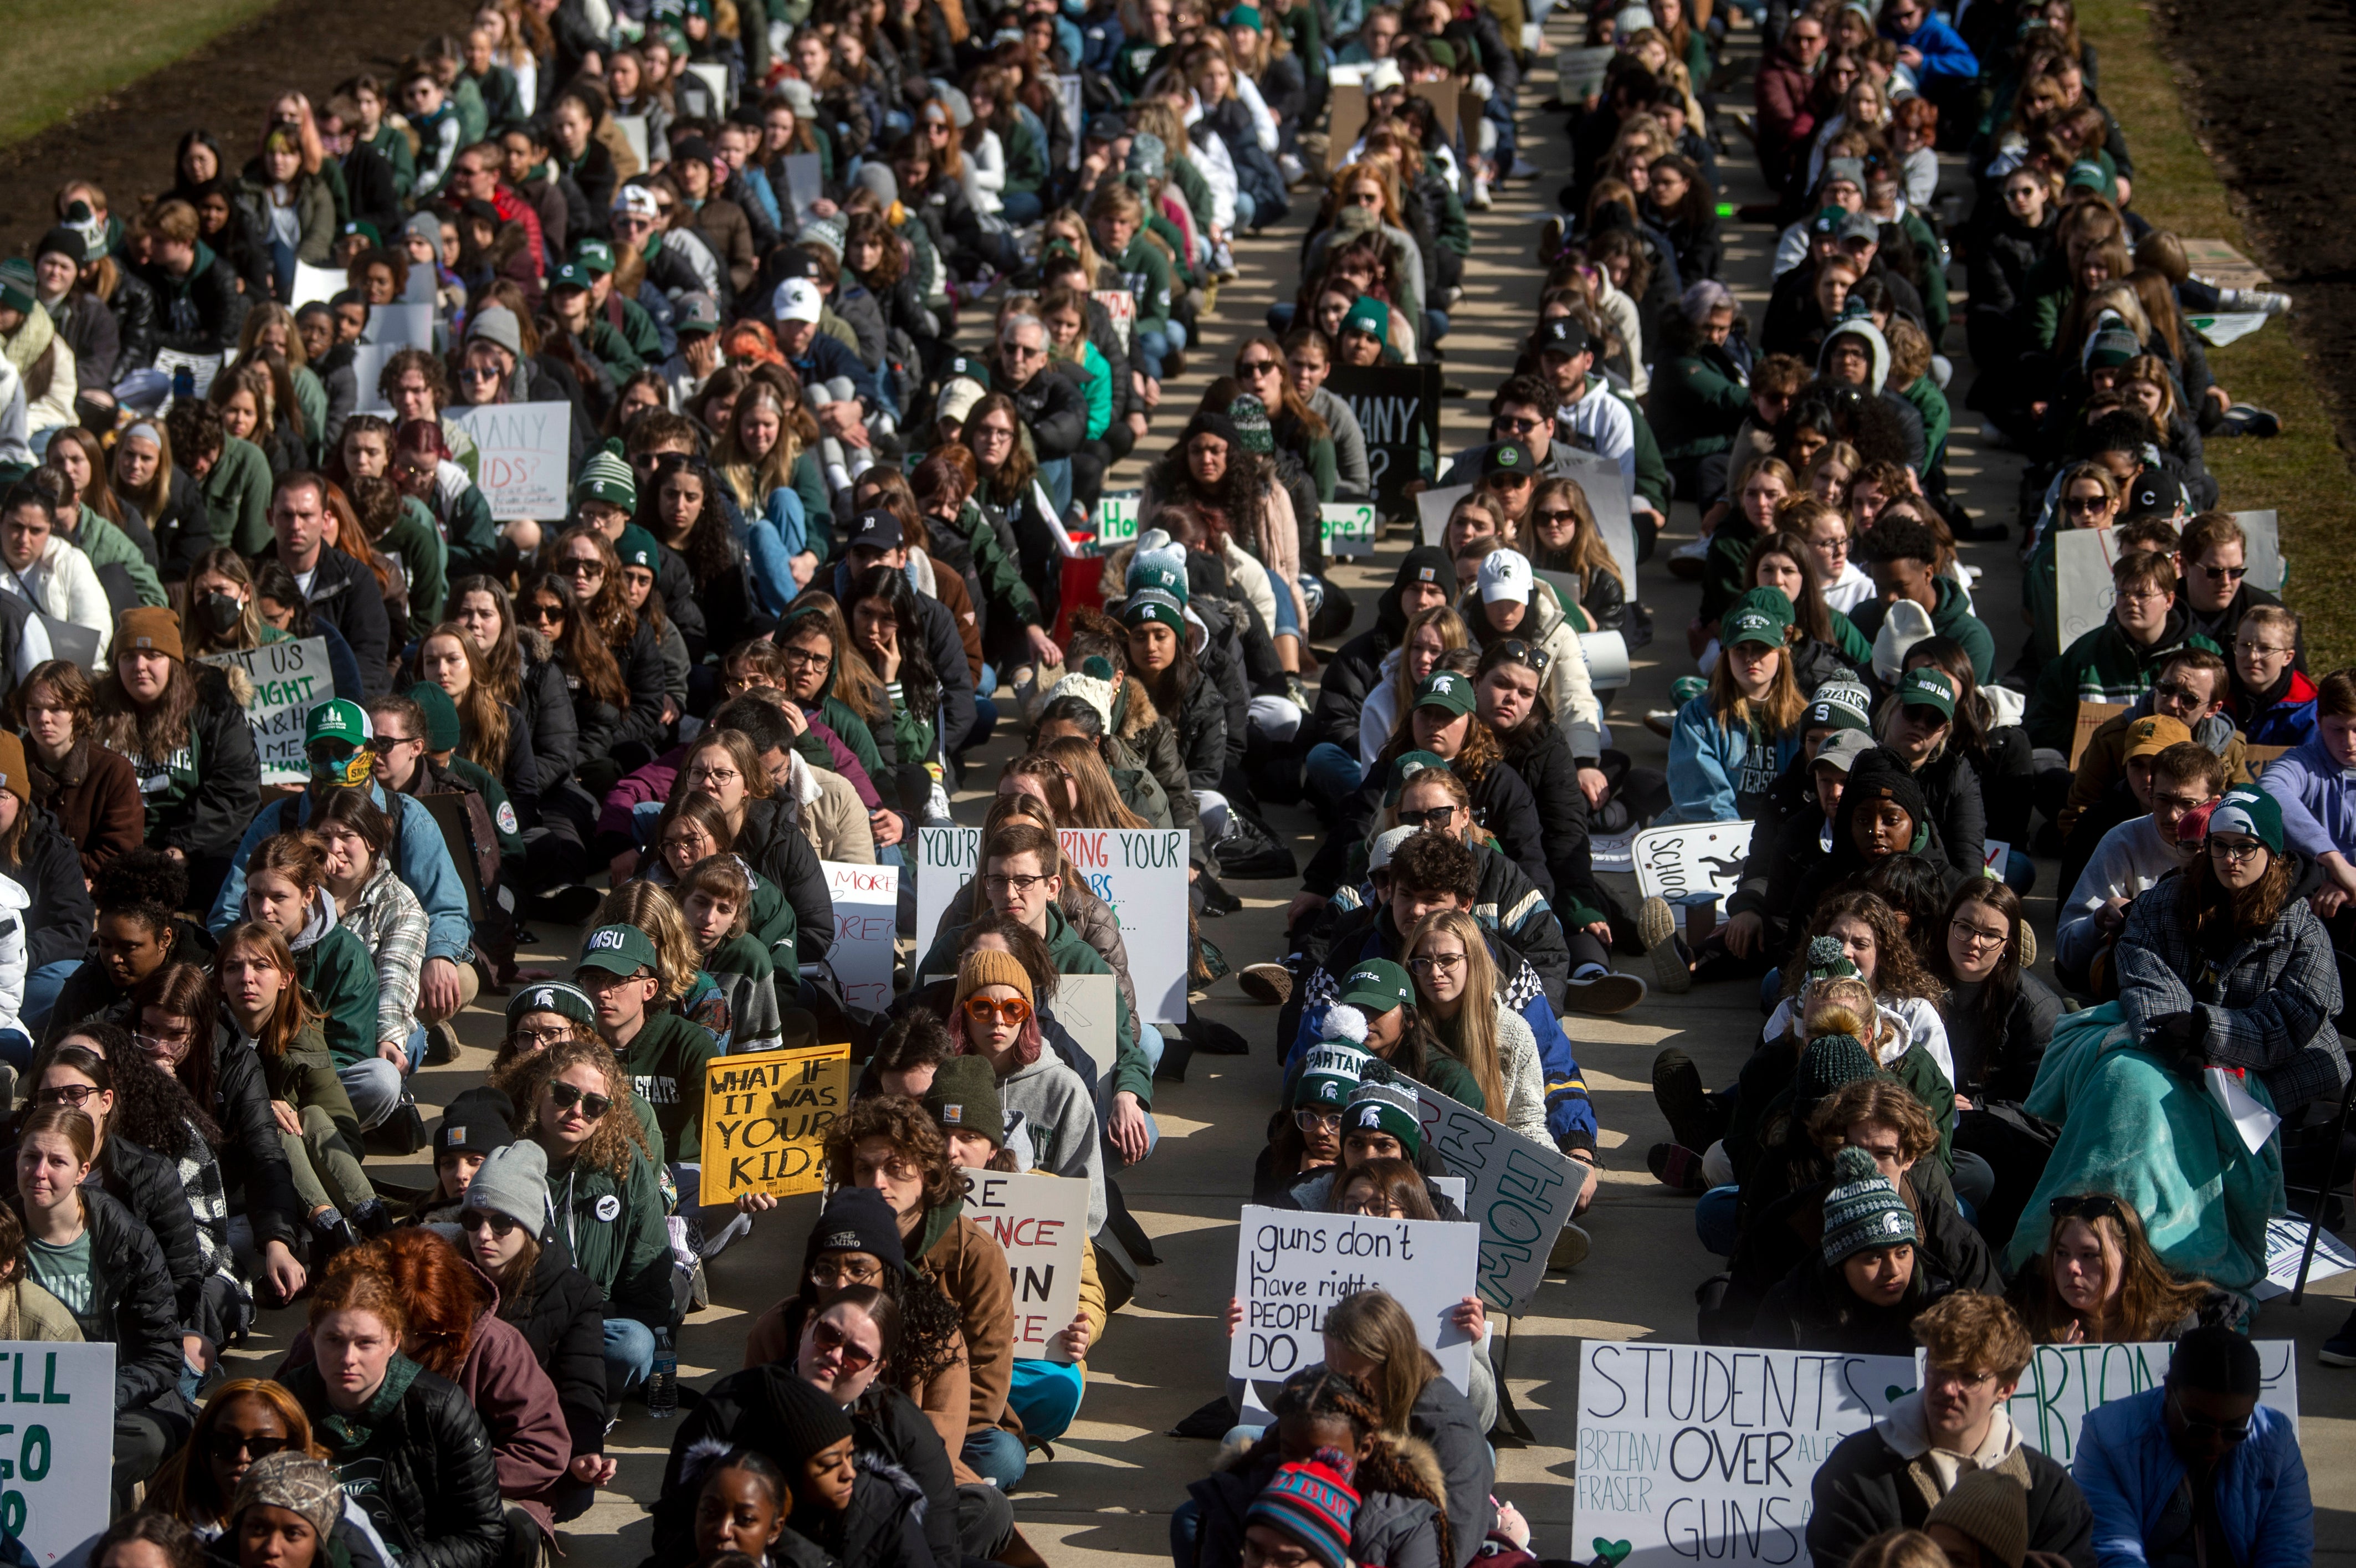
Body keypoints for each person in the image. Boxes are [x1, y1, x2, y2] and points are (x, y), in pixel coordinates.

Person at [818, 1093, 1021, 1492]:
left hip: (946, 1418)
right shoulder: (838, 1242)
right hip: (849, 1407)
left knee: (1002, 1455)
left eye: (895, 1168)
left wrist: (914, 1439)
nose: (878, 1183)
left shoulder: (976, 1253)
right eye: (865, 1169)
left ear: (927, 1173)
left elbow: (987, 1383)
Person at [1806, 1292, 2094, 1566]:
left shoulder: (2049, 1492)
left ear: (2006, 1389)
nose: (1947, 1388)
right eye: (1938, 1366)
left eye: (1970, 1376)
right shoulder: (1855, 1471)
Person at [2116, 785, 2346, 1119]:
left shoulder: (2304, 933)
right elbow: (2143, 972)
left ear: (2273, 852)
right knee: (2121, 1081)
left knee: (2188, 1116)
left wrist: (2204, 1030)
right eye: (2219, 845)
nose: (2229, 859)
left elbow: (2287, 1025)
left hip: (2288, 1072)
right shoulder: (2164, 902)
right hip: (2179, 1052)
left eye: (2245, 848)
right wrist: (2178, 1038)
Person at [10, 1103, 190, 1508]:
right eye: (31, 1157)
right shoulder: (4, 1237)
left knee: (148, 1439)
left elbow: (161, 1355)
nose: (39, 1172)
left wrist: (97, 1398)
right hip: (18, 1406)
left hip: (110, 1405)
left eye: (57, 1161)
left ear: (82, 1172)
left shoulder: (128, 1241)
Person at [276, 1262, 507, 1568]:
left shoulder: (440, 1407)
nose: (348, 1359)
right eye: (334, 1340)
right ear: (312, 1334)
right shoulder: (281, 1406)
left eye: (366, 1343)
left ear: (395, 1341)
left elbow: (484, 1536)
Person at [500, 1036, 672, 1400]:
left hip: (592, 1321)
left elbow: (647, 1274)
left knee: (634, 1345)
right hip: (515, 1319)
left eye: (595, 1104)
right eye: (564, 1095)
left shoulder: (625, 1165)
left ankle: (587, 1398)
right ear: (538, 1090)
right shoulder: (502, 1154)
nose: (578, 1111)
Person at [457, 1139, 615, 1515]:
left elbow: (581, 1381)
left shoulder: (575, 1294)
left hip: (522, 1436)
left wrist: (584, 1448)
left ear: (528, 1225)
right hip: (453, 1432)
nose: (483, 1235)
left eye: (501, 1222)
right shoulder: (441, 1274)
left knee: (575, 1491)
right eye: (472, 1220)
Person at [2072, 1326, 2311, 1568]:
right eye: (2199, 1426)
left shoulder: (2276, 1443)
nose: (2215, 1443)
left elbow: (2287, 1553)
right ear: (2168, 1391)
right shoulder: (2106, 1438)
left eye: (2235, 1430)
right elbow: (2113, 1552)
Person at [91, 607, 260, 911]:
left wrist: (180, 849)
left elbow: (235, 789)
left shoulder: (213, 705)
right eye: (128, 657)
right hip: (117, 846)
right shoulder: (96, 708)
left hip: (198, 849)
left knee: (223, 887)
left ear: (173, 660)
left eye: (153, 655)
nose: (139, 667)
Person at [2055, 737, 2221, 994]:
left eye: (2188, 804)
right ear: (2150, 792)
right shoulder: (2122, 841)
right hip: (2135, 980)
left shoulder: (2228, 845)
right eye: (2163, 800)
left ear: (2215, 802)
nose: (2173, 816)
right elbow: (2066, 955)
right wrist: (2099, 919)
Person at [2009, 1191, 2239, 1343]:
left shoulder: (2181, 1327)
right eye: (2062, 1253)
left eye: (2090, 1255)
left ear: (2130, 1261)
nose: (2072, 1267)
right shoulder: (2026, 1313)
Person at [18, 659, 143, 878]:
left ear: (78, 711)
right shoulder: (10, 762)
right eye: (34, 709)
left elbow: (122, 852)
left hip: (90, 893)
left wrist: (68, 877)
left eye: (56, 708)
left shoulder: (114, 771)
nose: (43, 719)